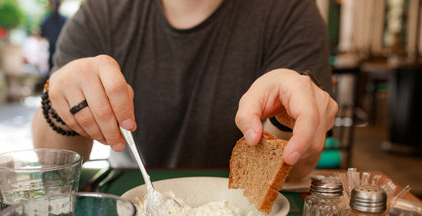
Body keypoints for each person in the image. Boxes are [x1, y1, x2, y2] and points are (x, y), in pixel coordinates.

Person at [32, 0, 338, 181]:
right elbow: (54, 165)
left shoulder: (289, 11)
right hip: (132, 212)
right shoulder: (103, 12)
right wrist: (59, 105)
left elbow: (297, 171)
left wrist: (286, 120)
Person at [40, 0, 67, 71]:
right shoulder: (66, 20)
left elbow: (44, 36)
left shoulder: (46, 20)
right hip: (61, 50)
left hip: (54, 50)